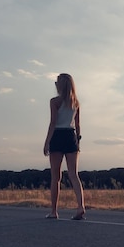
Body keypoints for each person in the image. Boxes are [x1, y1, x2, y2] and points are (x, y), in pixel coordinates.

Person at [43, 73, 86, 220]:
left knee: (56, 176)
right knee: (74, 174)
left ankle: (54, 211)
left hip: (58, 135)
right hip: (71, 135)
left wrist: (47, 142)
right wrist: (78, 140)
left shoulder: (55, 101)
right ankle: (81, 206)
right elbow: (78, 124)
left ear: (59, 85)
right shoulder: (76, 102)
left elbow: (53, 122)